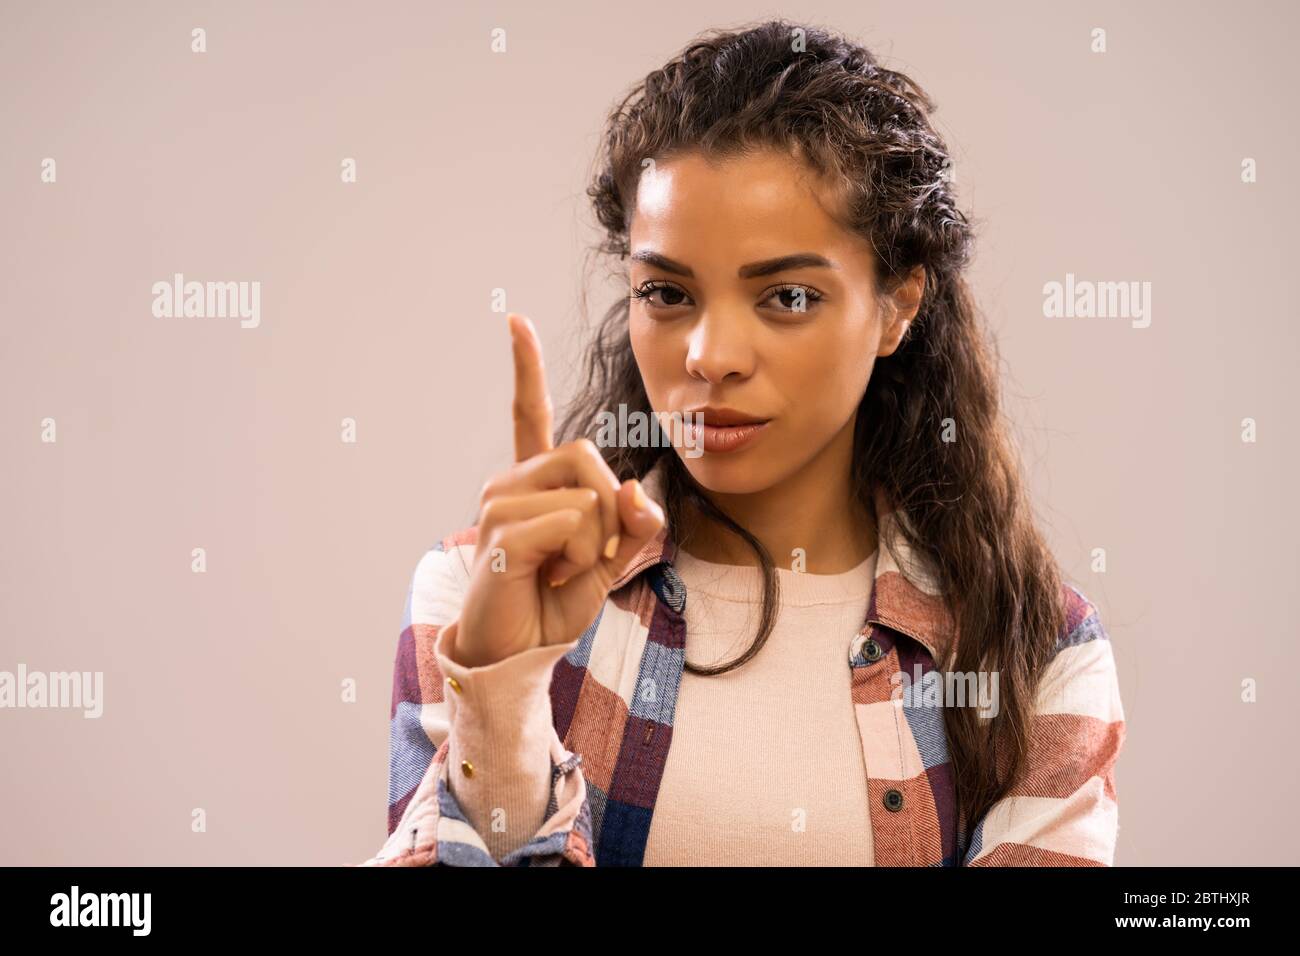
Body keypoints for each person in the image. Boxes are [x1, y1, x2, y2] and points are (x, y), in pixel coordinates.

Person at [362, 18, 1126, 868]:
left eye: (787, 297)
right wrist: (502, 696)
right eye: (667, 292)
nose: (709, 356)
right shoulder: (474, 597)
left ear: (898, 305)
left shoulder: (1034, 649)